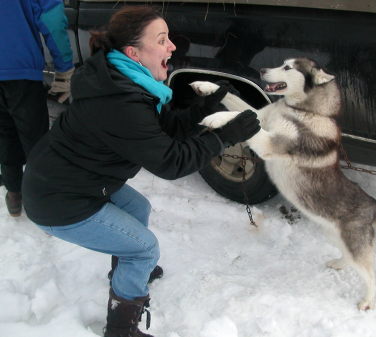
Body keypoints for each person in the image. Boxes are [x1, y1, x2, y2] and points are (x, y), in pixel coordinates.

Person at [22, 6, 260, 337]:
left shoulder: (124, 80)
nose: (173, 46)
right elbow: (171, 162)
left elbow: (159, 130)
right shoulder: (120, 101)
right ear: (134, 52)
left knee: (138, 208)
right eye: (162, 40)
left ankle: (128, 272)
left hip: (73, 179)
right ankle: (121, 329)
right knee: (144, 247)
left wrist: (199, 111)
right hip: (59, 199)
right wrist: (224, 138)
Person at [0, 0, 74, 216]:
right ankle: (43, 199)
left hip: (17, 68)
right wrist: (65, 68)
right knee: (36, 141)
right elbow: (52, 21)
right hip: (21, 70)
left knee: (4, 135)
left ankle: (14, 193)